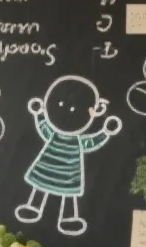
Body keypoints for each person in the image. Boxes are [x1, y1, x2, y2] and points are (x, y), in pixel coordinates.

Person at [16, 75, 122, 235]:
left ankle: (69, 218)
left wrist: (105, 133)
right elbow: (44, 128)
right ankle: (33, 208)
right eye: (59, 104)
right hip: (47, 168)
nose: (67, 112)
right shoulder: (54, 135)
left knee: (68, 195)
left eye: (74, 109)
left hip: (68, 173)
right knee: (40, 187)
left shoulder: (77, 141)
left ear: (94, 112)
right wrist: (39, 114)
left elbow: (91, 142)